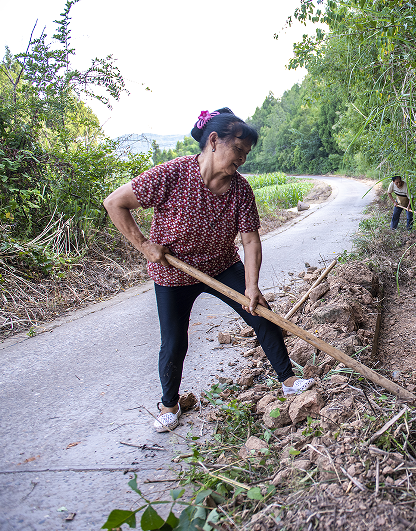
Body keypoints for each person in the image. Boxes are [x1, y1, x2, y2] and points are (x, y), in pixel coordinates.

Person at [103, 107, 314, 433]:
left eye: (246, 153)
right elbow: (114, 203)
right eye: (238, 150)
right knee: (174, 342)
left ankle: (288, 381)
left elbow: (250, 241)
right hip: (173, 274)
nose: (242, 159)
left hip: (221, 266)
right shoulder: (171, 174)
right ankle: (170, 405)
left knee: (262, 315)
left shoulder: (240, 190)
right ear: (214, 141)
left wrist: (251, 286)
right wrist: (145, 245)